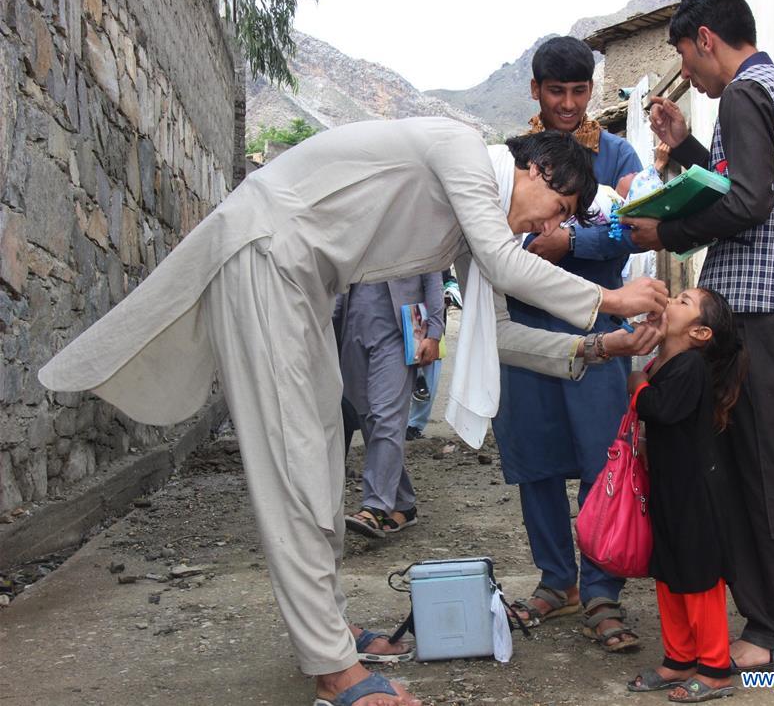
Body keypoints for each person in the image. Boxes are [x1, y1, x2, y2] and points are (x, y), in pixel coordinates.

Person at [39, 118, 668, 706]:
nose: (543, 228)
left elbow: (497, 333)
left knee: (315, 454)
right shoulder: (463, 150)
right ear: (535, 170)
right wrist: (611, 299)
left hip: (300, 282)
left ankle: (330, 631)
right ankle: (332, 667)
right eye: (557, 209)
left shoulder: (475, 225)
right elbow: (510, 264)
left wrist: (599, 345)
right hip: (266, 258)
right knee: (295, 464)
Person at [623, 0, 774, 672]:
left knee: (765, 466)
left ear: (703, 39)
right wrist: (684, 145)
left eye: (684, 62)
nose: (687, 77)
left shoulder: (741, 97)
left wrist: (664, 229)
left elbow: (748, 202)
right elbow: (753, 184)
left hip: (760, 309)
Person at [496, 35, 646, 652]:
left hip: (598, 332)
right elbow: (495, 243)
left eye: (578, 91)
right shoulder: (513, 160)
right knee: (536, 462)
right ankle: (557, 580)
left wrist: (569, 245)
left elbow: (634, 230)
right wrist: (540, 249)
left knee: (599, 461)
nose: (567, 103)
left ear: (592, 90)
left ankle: (604, 587)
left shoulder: (617, 153)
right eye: (555, 90)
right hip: (528, 333)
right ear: (534, 89)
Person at [626, 288, 746, 702]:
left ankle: (714, 668)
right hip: (670, 488)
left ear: (700, 332)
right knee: (670, 571)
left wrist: (638, 386)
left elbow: (663, 410)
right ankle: (679, 657)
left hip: (696, 493)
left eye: (683, 301)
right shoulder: (667, 361)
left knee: (699, 577)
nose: (671, 302)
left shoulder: (691, 366)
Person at [339, 273, 444, 537]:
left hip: (398, 332)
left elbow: (433, 275)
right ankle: (404, 504)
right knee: (368, 418)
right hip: (352, 328)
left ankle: (375, 507)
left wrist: (435, 331)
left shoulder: (414, 230)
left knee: (386, 416)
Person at [406, 270, 460, 441]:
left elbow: (446, 278)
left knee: (429, 379)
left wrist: (451, 288)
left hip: (431, 326)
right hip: (403, 321)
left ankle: (414, 425)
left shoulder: (436, 255)